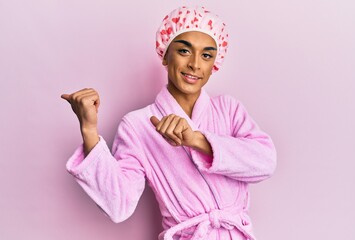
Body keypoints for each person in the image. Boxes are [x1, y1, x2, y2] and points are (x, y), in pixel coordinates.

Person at [61, 6, 276, 240]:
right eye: (184, 51)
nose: (195, 64)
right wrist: (89, 130)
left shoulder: (228, 109)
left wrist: (197, 140)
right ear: (165, 54)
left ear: (214, 63)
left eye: (206, 55)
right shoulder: (137, 125)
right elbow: (118, 205)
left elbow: (265, 162)